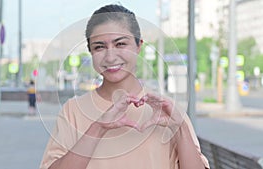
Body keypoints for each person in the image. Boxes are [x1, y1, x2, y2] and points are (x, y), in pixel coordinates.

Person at [40, 4, 209, 169]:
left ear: (138, 46)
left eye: (120, 44)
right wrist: (98, 128)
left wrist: (180, 129)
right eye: (99, 47)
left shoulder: (167, 111)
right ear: (91, 52)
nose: (110, 57)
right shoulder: (73, 111)